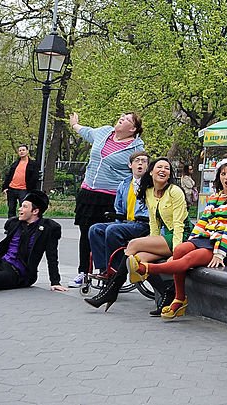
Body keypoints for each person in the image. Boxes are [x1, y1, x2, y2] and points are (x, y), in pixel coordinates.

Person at [134, 158, 227, 320]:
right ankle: (179, 297)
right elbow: (202, 222)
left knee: (189, 258)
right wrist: (191, 241)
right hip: (204, 238)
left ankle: (147, 269)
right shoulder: (214, 197)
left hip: (223, 244)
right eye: (223, 174)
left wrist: (219, 253)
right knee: (181, 249)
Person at [85, 157, 185, 312]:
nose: (163, 170)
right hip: (164, 238)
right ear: (151, 172)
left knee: (133, 244)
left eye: (167, 168)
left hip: (181, 237)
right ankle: (167, 293)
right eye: (159, 167)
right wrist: (152, 243)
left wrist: (177, 251)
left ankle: (111, 291)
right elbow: (154, 224)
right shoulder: (149, 192)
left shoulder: (174, 191)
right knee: (136, 261)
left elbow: (179, 225)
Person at [68, 111, 145, 288]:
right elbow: (87, 132)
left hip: (111, 196)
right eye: (122, 116)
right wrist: (74, 125)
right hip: (88, 192)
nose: (122, 118)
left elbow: (141, 168)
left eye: (127, 119)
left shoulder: (136, 148)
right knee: (85, 234)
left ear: (132, 129)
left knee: (105, 234)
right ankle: (83, 272)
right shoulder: (104, 132)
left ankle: (108, 271)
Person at [87, 151, 150, 280]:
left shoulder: (151, 185)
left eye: (144, 161)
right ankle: (104, 268)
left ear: (148, 166)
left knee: (113, 230)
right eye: (137, 160)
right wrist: (118, 220)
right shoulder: (124, 184)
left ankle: (116, 269)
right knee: (95, 229)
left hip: (143, 224)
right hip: (126, 223)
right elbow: (119, 208)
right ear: (130, 165)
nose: (140, 164)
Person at [1, 145, 39, 220]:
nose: (21, 152)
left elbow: (34, 178)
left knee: (24, 209)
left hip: (24, 190)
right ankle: (11, 226)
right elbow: (9, 175)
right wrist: (5, 187)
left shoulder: (33, 164)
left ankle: (24, 226)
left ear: (27, 151)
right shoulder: (15, 164)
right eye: (20, 150)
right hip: (12, 189)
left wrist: (32, 190)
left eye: (23, 150)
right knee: (11, 209)